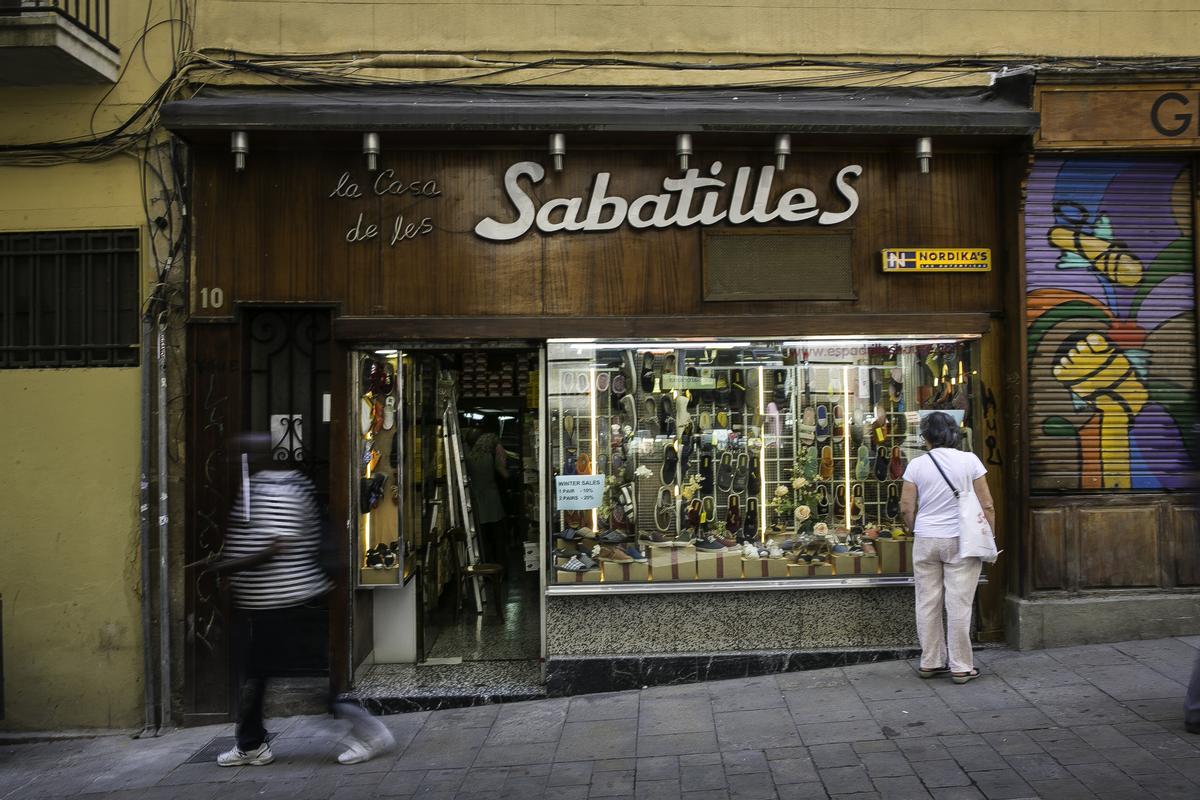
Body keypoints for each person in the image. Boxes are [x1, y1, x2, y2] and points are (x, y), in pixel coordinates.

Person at [202, 434, 394, 767]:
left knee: (304, 685)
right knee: (255, 678)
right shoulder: (269, 487)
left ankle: (370, 733)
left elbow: (276, 546)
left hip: (285, 602)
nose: (236, 461)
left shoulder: (275, 490)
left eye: (242, 455)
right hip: (268, 603)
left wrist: (226, 566)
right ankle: (250, 744)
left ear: (260, 456)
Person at [899, 411, 995, 684]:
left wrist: (914, 528)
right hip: (961, 540)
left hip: (926, 539)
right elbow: (987, 504)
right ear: (953, 433)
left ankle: (930, 662)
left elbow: (907, 506)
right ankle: (961, 666)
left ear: (926, 436)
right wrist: (990, 537)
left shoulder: (916, 465)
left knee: (927, 602)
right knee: (959, 604)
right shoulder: (970, 461)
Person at [463, 416, 510, 565]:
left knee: (482, 539)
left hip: (476, 501)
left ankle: (484, 567)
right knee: (498, 538)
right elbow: (503, 471)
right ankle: (500, 568)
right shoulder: (492, 447)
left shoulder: (468, 456)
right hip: (492, 501)